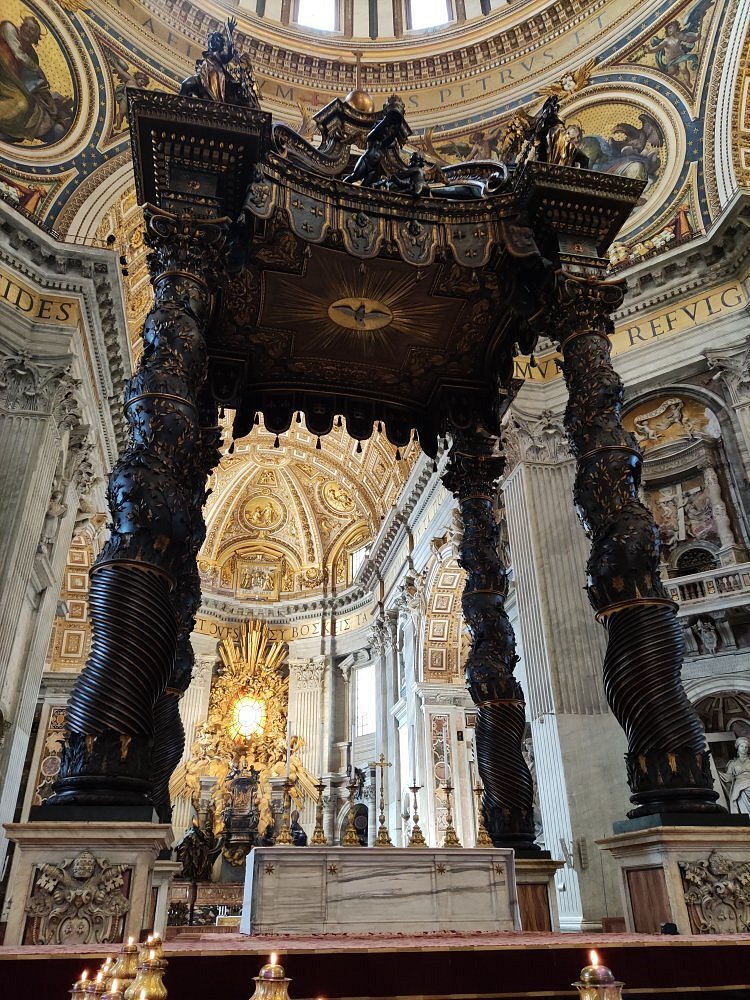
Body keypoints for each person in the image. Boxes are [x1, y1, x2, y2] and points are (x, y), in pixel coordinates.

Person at [0, 16, 73, 144]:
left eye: (33, 30)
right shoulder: (9, 28)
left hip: (11, 85)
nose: (28, 30)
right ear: (21, 25)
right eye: (27, 26)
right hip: (2, 74)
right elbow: (18, 54)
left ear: (36, 39)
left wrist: (48, 97)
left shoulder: (32, 56)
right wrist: (37, 69)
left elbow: (31, 82)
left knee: (23, 104)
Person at [720, 737, 750, 814]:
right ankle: (745, 814)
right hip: (739, 782)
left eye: (746, 747)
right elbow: (729, 777)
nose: (744, 748)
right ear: (738, 747)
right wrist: (719, 774)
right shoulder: (732, 763)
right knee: (740, 791)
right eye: (742, 746)